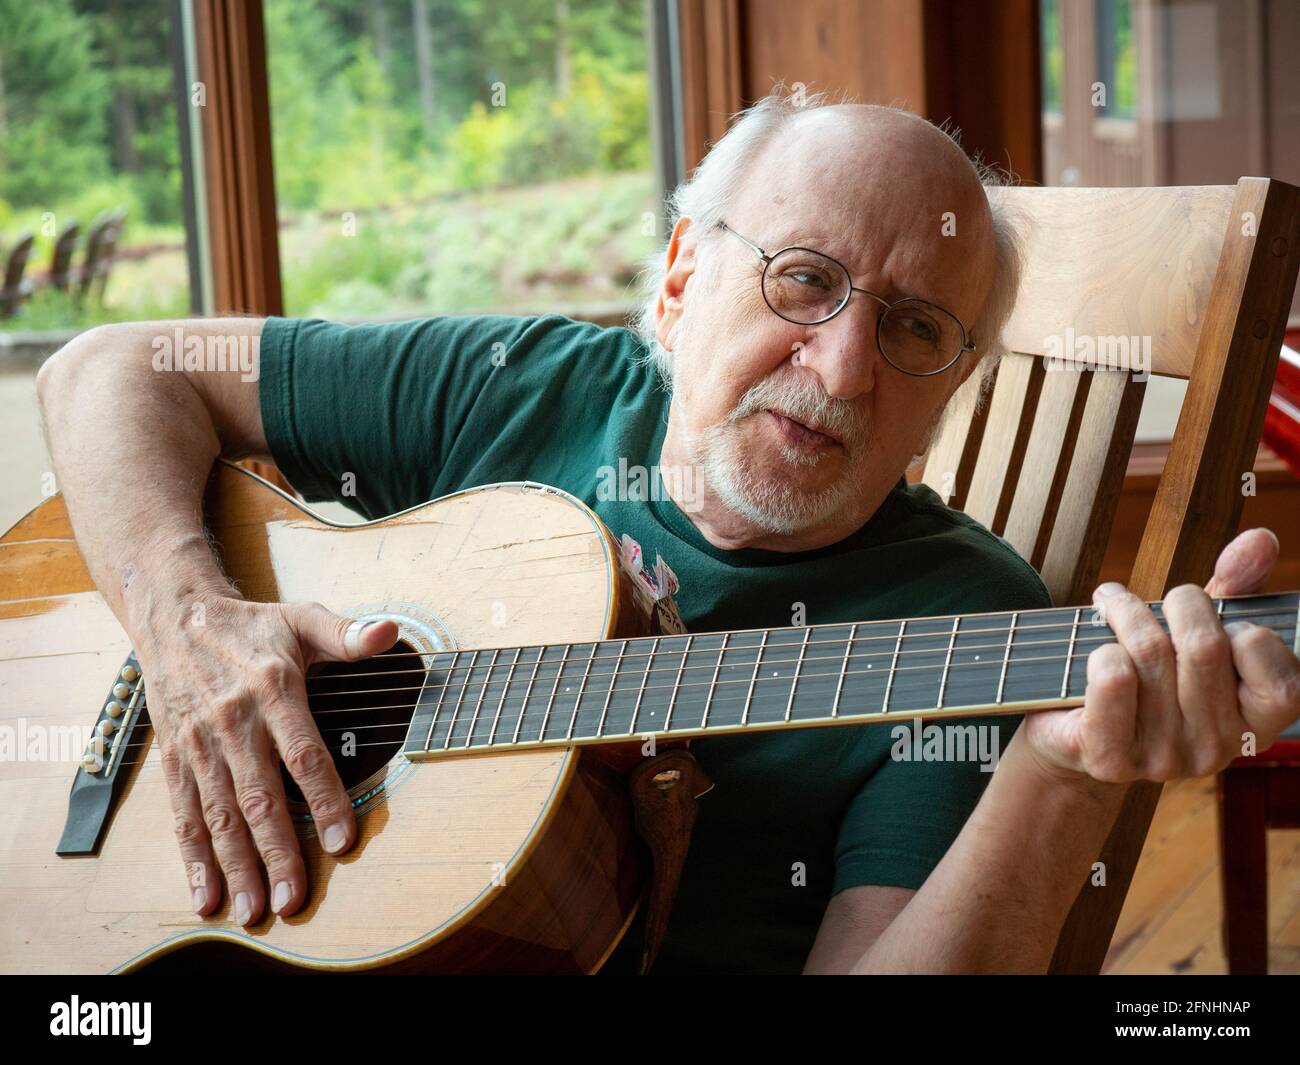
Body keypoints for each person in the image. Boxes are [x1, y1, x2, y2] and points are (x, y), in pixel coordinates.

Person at [37, 93, 1300, 973]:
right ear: (684, 276)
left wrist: (1059, 773)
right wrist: (186, 624)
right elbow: (109, 367)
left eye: (916, 330)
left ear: (946, 398)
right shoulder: (523, 381)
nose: (846, 367)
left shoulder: (976, 630)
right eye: (804, 279)